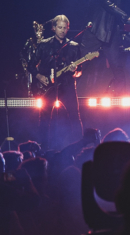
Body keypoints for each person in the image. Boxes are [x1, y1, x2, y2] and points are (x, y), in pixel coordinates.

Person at [28, 14, 87, 149]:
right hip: (48, 87)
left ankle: (79, 147)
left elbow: (80, 72)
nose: (62, 30)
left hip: (67, 86)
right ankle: (43, 148)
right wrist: (39, 77)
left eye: (64, 28)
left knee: (75, 117)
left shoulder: (74, 46)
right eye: (59, 27)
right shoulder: (44, 45)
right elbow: (31, 65)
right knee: (44, 118)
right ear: (54, 28)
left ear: (68, 29)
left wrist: (75, 69)